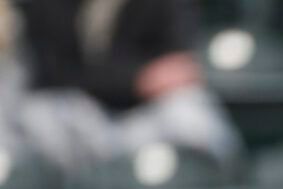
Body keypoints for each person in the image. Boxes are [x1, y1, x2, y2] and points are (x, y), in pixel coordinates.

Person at [9, 0, 239, 175]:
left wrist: (140, 79)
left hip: (144, 117)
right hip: (75, 118)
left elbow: (177, 66)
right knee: (36, 113)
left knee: (190, 110)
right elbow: (52, 72)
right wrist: (137, 79)